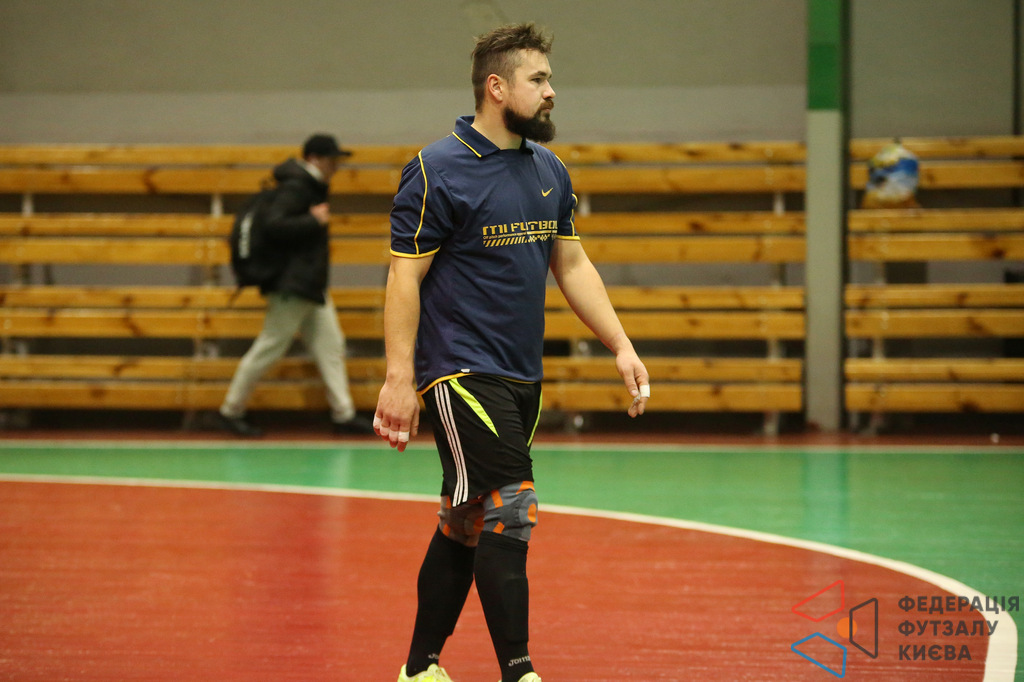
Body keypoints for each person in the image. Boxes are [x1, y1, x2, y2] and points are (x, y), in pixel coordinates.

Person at [374, 24, 650, 682]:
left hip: (522, 374)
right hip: (459, 369)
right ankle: (519, 672)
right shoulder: (436, 168)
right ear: (497, 88)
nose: (552, 91)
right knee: (512, 504)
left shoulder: (548, 169)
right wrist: (398, 377)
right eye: (539, 80)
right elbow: (404, 276)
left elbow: (571, 263)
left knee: (467, 519)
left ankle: (418, 669)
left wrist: (620, 345)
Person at [218, 134, 374, 438]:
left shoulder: (305, 185)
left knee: (331, 346)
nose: (336, 167)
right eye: (332, 160)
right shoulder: (297, 187)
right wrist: (312, 221)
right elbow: (274, 224)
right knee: (270, 346)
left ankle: (343, 414)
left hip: (309, 285)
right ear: (314, 159)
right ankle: (230, 411)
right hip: (294, 284)